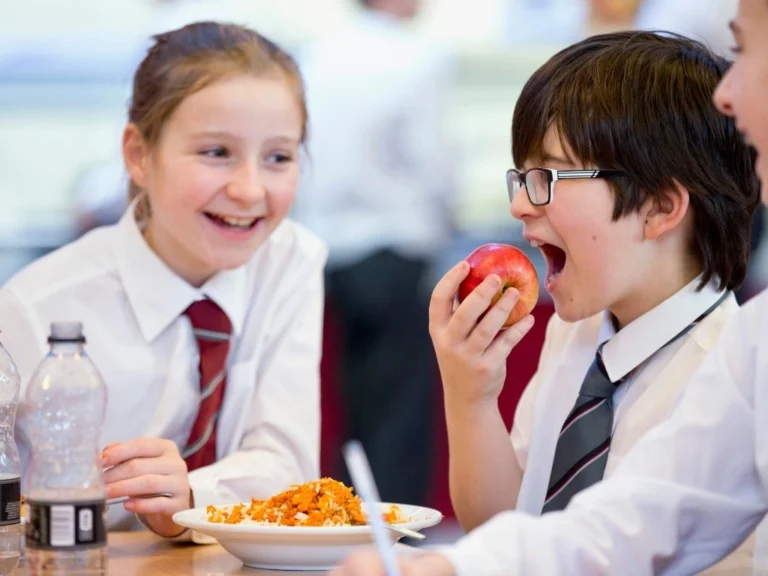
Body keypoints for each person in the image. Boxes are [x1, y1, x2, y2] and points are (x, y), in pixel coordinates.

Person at [331, 1, 768, 571]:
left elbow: (636, 534)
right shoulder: (578, 336)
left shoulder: (728, 361)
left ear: (660, 206)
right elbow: (512, 529)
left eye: (548, 177)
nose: (519, 205)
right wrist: (472, 395)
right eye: (521, 176)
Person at [2, 21, 326, 539]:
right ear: (138, 155)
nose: (249, 190)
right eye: (216, 152)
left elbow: (286, 461)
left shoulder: (290, 262)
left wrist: (196, 496)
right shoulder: (33, 311)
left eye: (279, 158)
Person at [292, 0, 457, 505]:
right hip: (395, 247)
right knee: (400, 412)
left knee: (355, 408)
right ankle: (395, 545)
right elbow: (434, 162)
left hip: (332, 254)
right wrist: (447, 224)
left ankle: (353, 528)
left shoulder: (317, 54)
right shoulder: (418, 56)